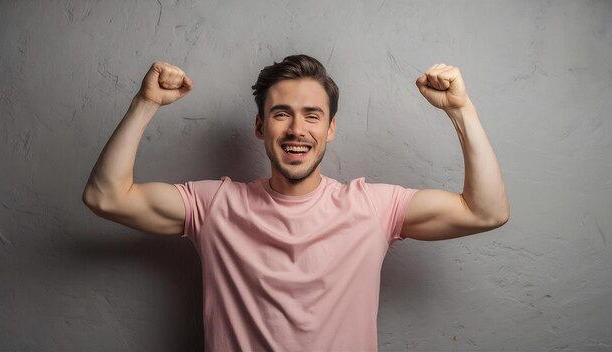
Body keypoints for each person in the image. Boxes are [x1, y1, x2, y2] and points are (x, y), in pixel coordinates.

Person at [83, 54, 509, 351]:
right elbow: (106, 197)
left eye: (312, 115)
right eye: (281, 113)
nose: (296, 129)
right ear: (260, 126)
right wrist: (145, 104)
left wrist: (461, 110)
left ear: (330, 130)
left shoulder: (373, 208)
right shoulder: (213, 205)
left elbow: (486, 211)